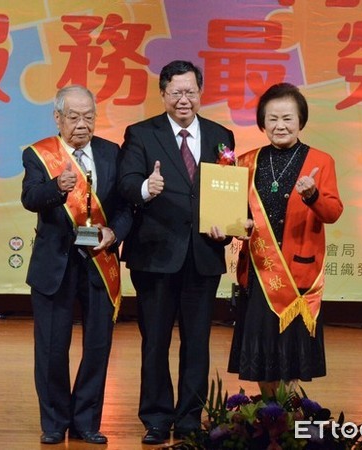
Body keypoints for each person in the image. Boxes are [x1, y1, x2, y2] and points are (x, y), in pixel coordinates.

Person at [118, 60, 235, 445]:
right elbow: (126, 182)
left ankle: (188, 418)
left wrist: (229, 226)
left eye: (191, 92)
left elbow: (227, 190)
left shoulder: (221, 135)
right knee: (155, 341)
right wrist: (146, 188)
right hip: (155, 254)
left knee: (197, 342)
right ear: (163, 93)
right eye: (176, 92)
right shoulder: (141, 133)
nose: (184, 99)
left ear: (200, 93)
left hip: (202, 254)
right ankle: (155, 418)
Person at [21, 85, 132, 445]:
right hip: (55, 266)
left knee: (98, 346)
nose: (82, 124)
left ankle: (86, 422)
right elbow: (30, 198)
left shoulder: (112, 153)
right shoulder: (38, 155)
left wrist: (114, 232)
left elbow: (126, 207)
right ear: (58, 118)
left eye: (89, 117)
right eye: (74, 117)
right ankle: (54, 422)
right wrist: (57, 186)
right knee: (52, 348)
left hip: (99, 262)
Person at [227, 82, 343, 398]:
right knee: (261, 356)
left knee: (289, 358)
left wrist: (313, 194)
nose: (280, 126)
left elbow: (333, 212)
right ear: (262, 123)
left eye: (288, 118)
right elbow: (233, 217)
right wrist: (238, 225)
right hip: (258, 272)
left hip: (297, 275)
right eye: (273, 118)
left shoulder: (321, 161)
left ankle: (287, 420)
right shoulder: (245, 162)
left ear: (301, 122)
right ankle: (267, 414)